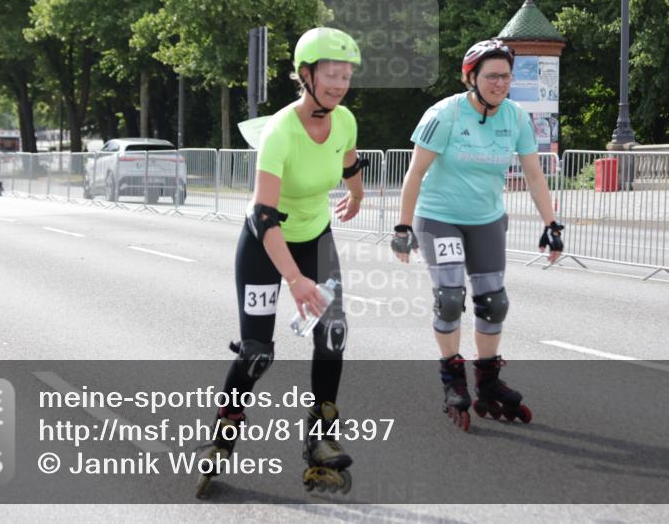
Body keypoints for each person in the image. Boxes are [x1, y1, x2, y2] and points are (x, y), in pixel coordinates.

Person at [196, 27, 366, 498]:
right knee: (257, 353)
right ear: (306, 74)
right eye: (332, 74)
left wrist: (356, 193)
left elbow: (348, 160)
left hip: (316, 237)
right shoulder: (280, 132)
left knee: (333, 333)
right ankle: (225, 432)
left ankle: (321, 438)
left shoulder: (345, 119)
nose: (339, 84)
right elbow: (262, 214)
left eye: (347, 76)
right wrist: (293, 279)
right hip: (266, 247)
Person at [391, 39, 563, 431]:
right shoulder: (445, 114)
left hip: (486, 219)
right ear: (471, 78)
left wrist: (551, 225)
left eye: (506, 76)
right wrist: (403, 226)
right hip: (439, 218)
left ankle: (487, 381)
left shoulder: (517, 118)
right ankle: (452, 378)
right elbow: (415, 173)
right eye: (491, 76)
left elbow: (535, 176)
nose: (500, 83)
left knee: (493, 302)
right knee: (450, 297)